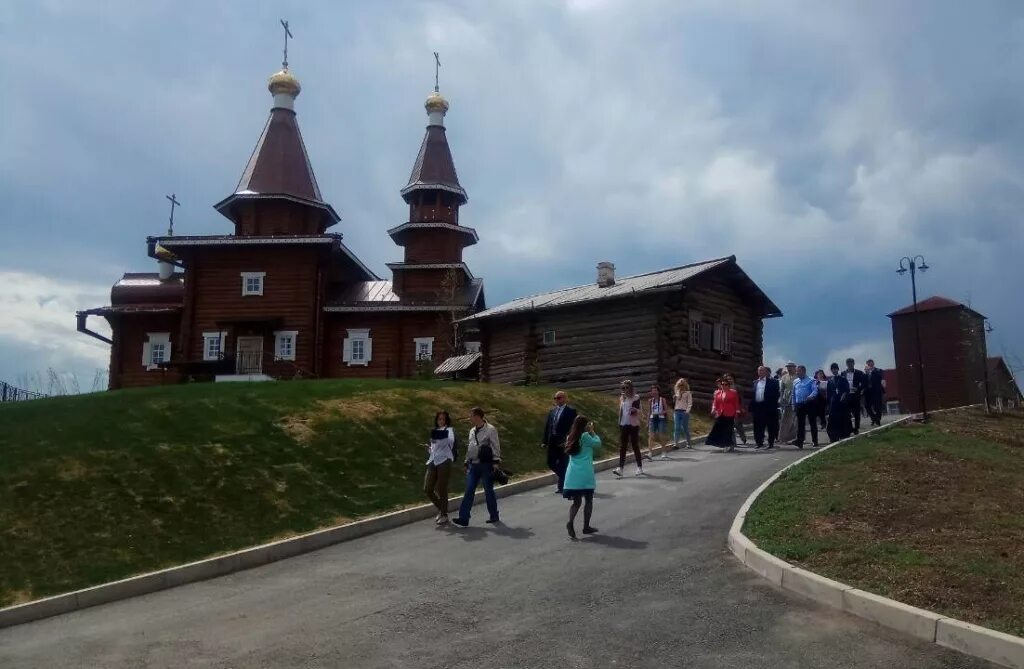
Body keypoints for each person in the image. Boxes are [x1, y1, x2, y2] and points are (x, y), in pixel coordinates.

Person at [451, 407, 502, 527]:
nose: (470, 418)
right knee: (469, 490)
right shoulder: (472, 431)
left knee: (488, 490)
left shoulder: (490, 429)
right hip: (473, 465)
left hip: (486, 464)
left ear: (478, 416)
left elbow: (495, 445)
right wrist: (466, 462)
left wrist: (496, 462)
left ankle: (494, 514)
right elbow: (471, 447)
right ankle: (464, 517)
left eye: (471, 416)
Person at [562, 414, 601, 539]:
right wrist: (593, 432)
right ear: (585, 425)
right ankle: (586, 526)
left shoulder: (570, 437)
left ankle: (570, 522)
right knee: (588, 500)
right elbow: (598, 444)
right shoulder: (585, 437)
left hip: (572, 475)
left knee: (576, 502)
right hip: (585, 474)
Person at [541, 390, 577, 494]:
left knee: (563, 463)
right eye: (555, 398)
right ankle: (566, 478)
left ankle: (562, 486)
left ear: (565, 398)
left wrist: (569, 439)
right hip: (552, 440)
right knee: (550, 462)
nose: (557, 400)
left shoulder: (571, 411)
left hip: (563, 442)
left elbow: (574, 427)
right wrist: (544, 441)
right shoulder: (552, 412)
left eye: (559, 398)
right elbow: (548, 426)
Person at [424, 410, 456, 525]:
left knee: (441, 488)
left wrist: (436, 435)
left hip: (444, 461)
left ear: (446, 420)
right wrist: (429, 449)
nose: (441, 421)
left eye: (443, 419)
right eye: (439, 419)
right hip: (433, 461)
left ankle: (443, 514)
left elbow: (450, 441)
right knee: (427, 489)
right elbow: (435, 448)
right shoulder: (435, 431)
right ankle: (443, 510)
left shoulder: (449, 431)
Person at [614, 380, 645, 477]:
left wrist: (636, 410)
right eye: (623, 388)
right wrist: (619, 422)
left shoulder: (636, 397)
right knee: (623, 446)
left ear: (631, 388)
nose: (624, 390)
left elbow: (640, 411)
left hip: (633, 424)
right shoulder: (622, 398)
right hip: (624, 424)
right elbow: (621, 411)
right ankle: (620, 468)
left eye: (626, 387)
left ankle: (639, 467)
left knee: (635, 445)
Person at [749, 365, 781, 449]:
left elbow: (777, 394)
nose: (761, 372)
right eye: (759, 371)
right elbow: (752, 395)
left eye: (762, 370)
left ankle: (770, 443)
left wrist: (773, 405)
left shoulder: (773, 382)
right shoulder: (755, 382)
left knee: (770, 426)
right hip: (757, 407)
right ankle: (759, 443)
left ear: (766, 372)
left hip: (768, 407)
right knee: (757, 426)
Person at [707, 376, 740, 452]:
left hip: (730, 413)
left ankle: (728, 445)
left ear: (729, 385)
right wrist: (713, 409)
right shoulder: (718, 393)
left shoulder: (733, 392)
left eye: (725, 384)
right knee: (718, 428)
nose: (724, 386)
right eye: (722, 384)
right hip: (720, 413)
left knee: (728, 430)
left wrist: (737, 412)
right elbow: (715, 403)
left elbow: (736, 403)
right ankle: (723, 444)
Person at [792, 365, 819, 449]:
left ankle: (815, 441)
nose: (797, 373)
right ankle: (800, 442)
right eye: (796, 371)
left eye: (798, 371)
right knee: (800, 424)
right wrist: (793, 404)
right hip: (799, 405)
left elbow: (815, 390)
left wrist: (811, 396)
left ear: (804, 371)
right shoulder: (795, 381)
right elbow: (793, 394)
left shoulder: (811, 380)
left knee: (812, 422)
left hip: (809, 403)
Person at [827, 363, 852, 441]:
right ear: (831, 370)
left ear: (837, 369)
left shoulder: (843, 379)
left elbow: (847, 389)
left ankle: (844, 434)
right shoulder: (830, 381)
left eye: (835, 369)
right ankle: (834, 436)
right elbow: (828, 393)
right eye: (832, 369)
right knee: (833, 419)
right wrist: (828, 404)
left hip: (842, 402)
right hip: (833, 403)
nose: (834, 370)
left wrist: (843, 396)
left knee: (844, 418)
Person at [844, 358, 867, 434]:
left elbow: (864, 383)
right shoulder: (843, 373)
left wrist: (858, 388)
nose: (850, 364)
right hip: (847, 396)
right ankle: (850, 428)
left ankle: (856, 428)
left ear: (854, 363)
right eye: (848, 363)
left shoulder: (859, 373)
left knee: (856, 413)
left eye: (851, 363)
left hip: (855, 396)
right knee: (847, 413)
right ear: (846, 364)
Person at [778, 362, 798, 443]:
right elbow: (782, 389)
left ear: (794, 367)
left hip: (796, 399)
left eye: (791, 367)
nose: (789, 368)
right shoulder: (784, 377)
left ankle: (796, 436)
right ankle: (783, 438)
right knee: (785, 419)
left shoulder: (798, 376)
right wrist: (781, 398)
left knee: (796, 420)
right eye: (788, 367)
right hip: (787, 400)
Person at [648, 384, 669, 460]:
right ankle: (650, 453)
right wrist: (648, 421)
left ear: (658, 391)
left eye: (655, 390)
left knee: (661, 435)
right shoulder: (650, 401)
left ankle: (664, 451)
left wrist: (660, 412)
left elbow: (666, 410)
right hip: (653, 418)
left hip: (661, 418)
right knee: (651, 436)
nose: (654, 392)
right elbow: (649, 411)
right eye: (653, 391)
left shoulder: (662, 399)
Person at [727, 375, 749, 445]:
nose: (729, 380)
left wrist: (742, 407)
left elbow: (741, 398)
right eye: (728, 379)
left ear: (733, 379)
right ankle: (733, 442)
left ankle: (743, 438)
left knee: (737, 424)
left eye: (730, 379)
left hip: (737, 408)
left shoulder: (737, 388)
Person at [672, 378, 693, 449]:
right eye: (680, 384)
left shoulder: (688, 393)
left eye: (682, 384)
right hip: (677, 411)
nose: (681, 386)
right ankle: (676, 443)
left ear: (685, 385)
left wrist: (687, 411)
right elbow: (676, 402)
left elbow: (690, 403)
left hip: (684, 412)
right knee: (677, 428)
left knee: (685, 428)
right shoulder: (677, 392)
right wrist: (674, 398)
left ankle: (689, 443)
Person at [863, 359, 886, 427]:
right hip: (868, 393)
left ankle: (877, 420)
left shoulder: (878, 370)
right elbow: (864, 382)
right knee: (867, 406)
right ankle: (874, 418)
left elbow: (880, 377)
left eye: (871, 362)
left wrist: (872, 371)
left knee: (878, 407)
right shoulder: (866, 372)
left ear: (873, 363)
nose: (869, 364)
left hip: (876, 392)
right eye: (868, 363)